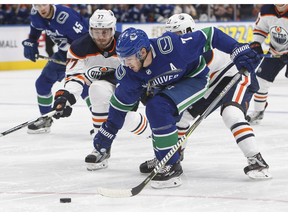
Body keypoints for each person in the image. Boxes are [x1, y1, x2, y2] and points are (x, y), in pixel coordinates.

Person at [88, 23, 260, 189]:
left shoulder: (172, 47)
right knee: (158, 111)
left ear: (142, 52)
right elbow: (120, 105)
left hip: (194, 79)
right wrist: (108, 130)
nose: (126, 64)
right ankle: (166, 157)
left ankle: (170, 166)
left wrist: (237, 48)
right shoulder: (129, 73)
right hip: (168, 86)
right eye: (122, 59)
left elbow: (211, 34)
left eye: (129, 59)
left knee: (158, 107)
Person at [139, 13, 271, 180]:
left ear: (189, 31)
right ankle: (170, 157)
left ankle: (256, 160)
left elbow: (233, 51)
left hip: (236, 76)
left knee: (231, 113)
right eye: (172, 34)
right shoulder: (175, 52)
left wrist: (244, 55)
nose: (176, 39)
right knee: (181, 117)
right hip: (210, 83)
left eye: (179, 34)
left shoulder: (200, 49)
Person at [52, 9, 151, 171]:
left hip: (128, 86)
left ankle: (158, 136)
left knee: (125, 119)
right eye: (96, 32)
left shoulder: (124, 43)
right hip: (104, 84)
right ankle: (101, 147)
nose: (101, 37)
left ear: (113, 29)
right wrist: (65, 97)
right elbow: (74, 76)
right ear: (90, 30)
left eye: (105, 32)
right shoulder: (79, 47)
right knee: (96, 89)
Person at [22, 4, 90, 134]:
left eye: (43, 4)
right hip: (62, 54)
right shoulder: (36, 14)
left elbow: (87, 40)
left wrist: (78, 60)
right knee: (42, 83)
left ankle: (102, 122)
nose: (41, 8)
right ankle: (46, 119)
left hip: (82, 54)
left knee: (84, 87)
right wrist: (31, 41)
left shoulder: (66, 17)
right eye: (37, 5)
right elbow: (35, 28)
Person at [246, 4, 288, 124]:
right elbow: (261, 29)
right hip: (275, 51)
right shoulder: (266, 10)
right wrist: (257, 43)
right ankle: (258, 112)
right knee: (261, 81)